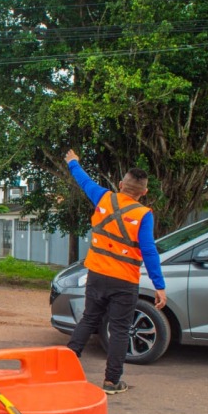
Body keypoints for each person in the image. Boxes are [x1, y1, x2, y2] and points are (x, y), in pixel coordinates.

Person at [64, 149, 166, 395]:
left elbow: (84, 181)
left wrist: (73, 163)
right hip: (124, 280)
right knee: (120, 329)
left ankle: (63, 368)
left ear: (121, 185)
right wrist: (159, 285)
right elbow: (149, 251)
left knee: (89, 318)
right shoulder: (143, 215)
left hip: (97, 274)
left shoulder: (103, 198)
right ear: (144, 192)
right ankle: (111, 382)